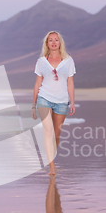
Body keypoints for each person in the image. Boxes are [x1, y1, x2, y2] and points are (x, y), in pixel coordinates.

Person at [32, 31, 76, 175]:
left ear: (60, 43)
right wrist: (33, 105)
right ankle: (51, 166)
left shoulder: (68, 61)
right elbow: (38, 83)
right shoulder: (41, 62)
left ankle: (51, 158)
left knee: (56, 135)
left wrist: (73, 102)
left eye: (56, 40)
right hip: (44, 98)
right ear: (47, 43)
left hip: (62, 101)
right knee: (48, 132)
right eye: (50, 40)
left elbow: (70, 82)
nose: (53, 42)